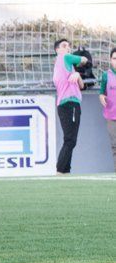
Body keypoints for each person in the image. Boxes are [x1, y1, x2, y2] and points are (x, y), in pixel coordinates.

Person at [53, 39, 89, 174]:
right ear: (57, 50)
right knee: (70, 140)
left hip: (67, 104)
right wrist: (82, 61)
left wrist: (77, 73)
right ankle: (60, 170)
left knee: (70, 140)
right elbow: (84, 59)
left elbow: (82, 86)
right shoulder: (65, 58)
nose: (68, 48)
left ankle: (66, 171)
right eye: (64, 46)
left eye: (69, 46)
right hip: (69, 104)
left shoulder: (65, 65)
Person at [99, 47, 116, 171]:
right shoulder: (106, 75)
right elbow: (101, 92)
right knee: (115, 146)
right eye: (115, 58)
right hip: (111, 116)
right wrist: (101, 97)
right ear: (111, 60)